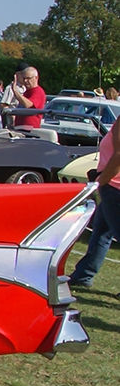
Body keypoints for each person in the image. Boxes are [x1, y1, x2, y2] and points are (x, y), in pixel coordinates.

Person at [72, 119, 120, 290]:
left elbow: (118, 155)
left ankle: (84, 275)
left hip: (114, 186)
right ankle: (83, 275)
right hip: (112, 184)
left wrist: (102, 181)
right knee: (101, 232)